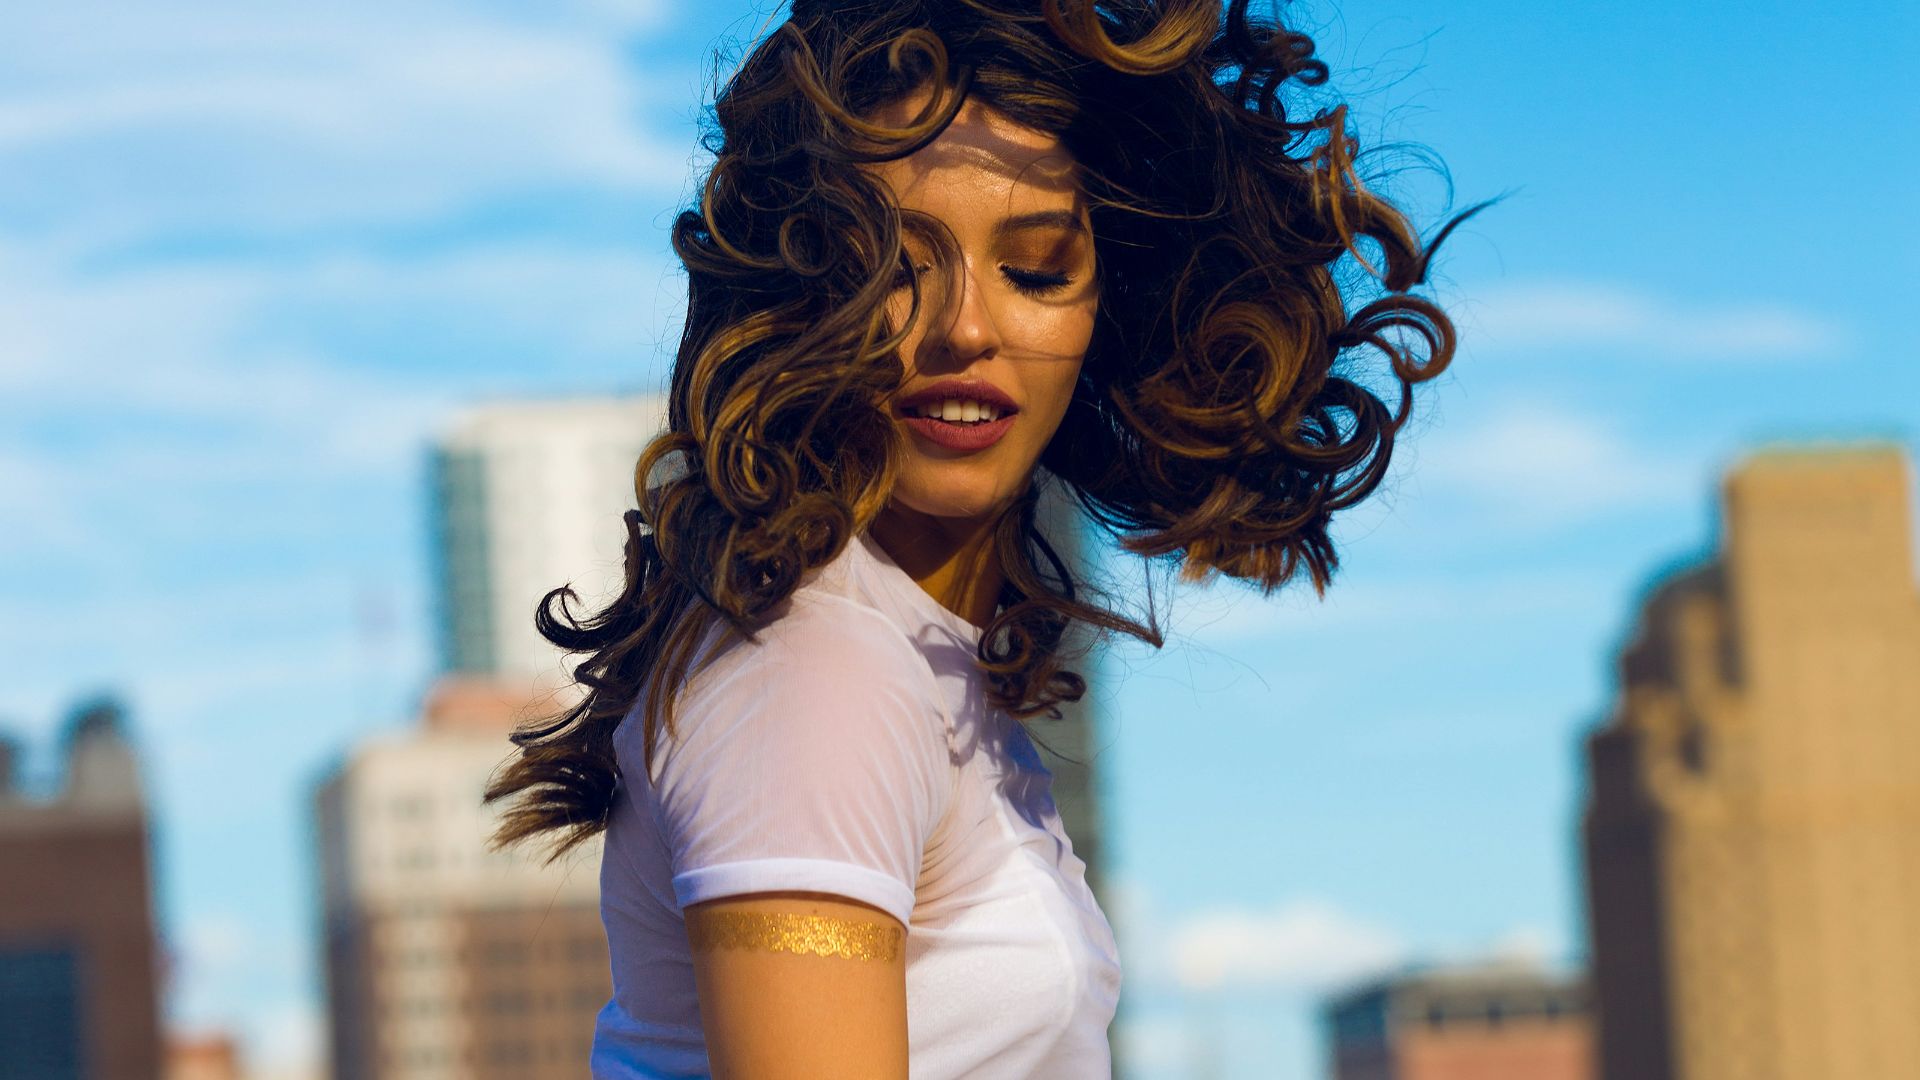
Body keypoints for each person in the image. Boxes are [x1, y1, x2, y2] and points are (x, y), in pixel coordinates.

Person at [484, 0, 1477, 1076]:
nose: (965, 326)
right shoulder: (818, 676)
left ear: (1110, 309)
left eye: (1037, 269)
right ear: (803, 297)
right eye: (897, 269)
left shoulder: (899, 655)